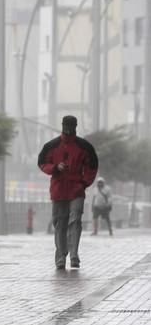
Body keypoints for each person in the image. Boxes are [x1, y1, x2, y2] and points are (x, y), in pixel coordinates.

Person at [38, 115, 98, 270]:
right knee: (60, 224)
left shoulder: (85, 147)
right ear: (63, 125)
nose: (69, 128)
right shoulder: (51, 146)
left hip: (76, 190)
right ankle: (60, 256)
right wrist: (55, 167)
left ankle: (73, 255)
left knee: (75, 220)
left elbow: (92, 167)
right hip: (58, 189)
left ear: (75, 126)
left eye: (71, 125)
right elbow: (42, 162)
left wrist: (84, 183)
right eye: (67, 125)